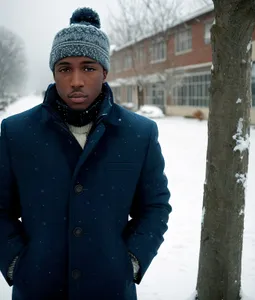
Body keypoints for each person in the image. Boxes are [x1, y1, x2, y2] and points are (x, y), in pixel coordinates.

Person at [0, 7, 171, 300]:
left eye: (88, 68)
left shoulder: (139, 134)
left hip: (110, 289)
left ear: (105, 72)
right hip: (38, 289)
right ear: (54, 72)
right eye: (65, 68)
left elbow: (155, 207)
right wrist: (16, 263)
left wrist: (132, 260)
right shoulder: (16, 133)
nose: (76, 80)